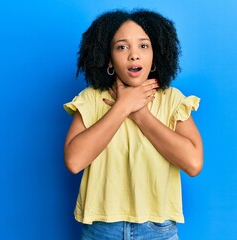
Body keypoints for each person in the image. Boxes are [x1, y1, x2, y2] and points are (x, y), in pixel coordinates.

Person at [63, 9, 203, 240]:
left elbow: (193, 163)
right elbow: (74, 161)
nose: (134, 55)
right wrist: (121, 107)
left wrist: (140, 114)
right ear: (108, 59)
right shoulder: (90, 98)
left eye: (143, 46)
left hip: (158, 230)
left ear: (155, 55)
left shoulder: (173, 99)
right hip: (101, 230)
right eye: (122, 47)